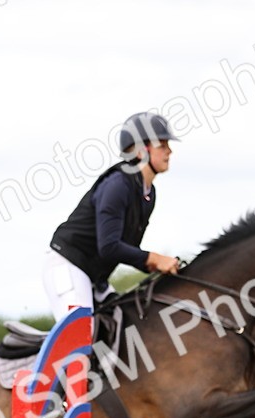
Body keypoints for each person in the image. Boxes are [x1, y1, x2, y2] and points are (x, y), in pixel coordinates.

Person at [43, 111, 183, 321]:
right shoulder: (117, 185)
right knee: (81, 336)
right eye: (162, 145)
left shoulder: (147, 193)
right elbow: (109, 247)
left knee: (127, 326)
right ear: (140, 151)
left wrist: (153, 265)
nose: (169, 151)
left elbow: (125, 249)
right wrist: (153, 258)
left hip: (95, 278)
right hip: (69, 267)